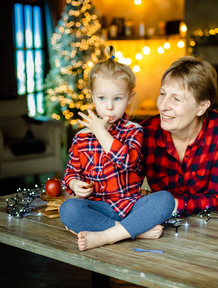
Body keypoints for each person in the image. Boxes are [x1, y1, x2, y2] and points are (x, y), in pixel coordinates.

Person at [59, 46, 175, 251]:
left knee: (166, 200)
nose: (109, 107)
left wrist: (100, 132)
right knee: (69, 209)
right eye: (102, 98)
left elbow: (126, 160)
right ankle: (132, 231)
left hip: (131, 205)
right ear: (92, 96)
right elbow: (70, 172)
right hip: (99, 208)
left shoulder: (134, 131)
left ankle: (107, 236)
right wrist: (75, 183)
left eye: (118, 99)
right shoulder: (82, 137)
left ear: (129, 98)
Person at [141, 56, 218, 215]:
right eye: (162, 94)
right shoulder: (146, 132)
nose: (162, 105)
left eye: (176, 99)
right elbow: (126, 184)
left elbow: (216, 197)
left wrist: (170, 206)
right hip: (166, 220)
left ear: (202, 107)